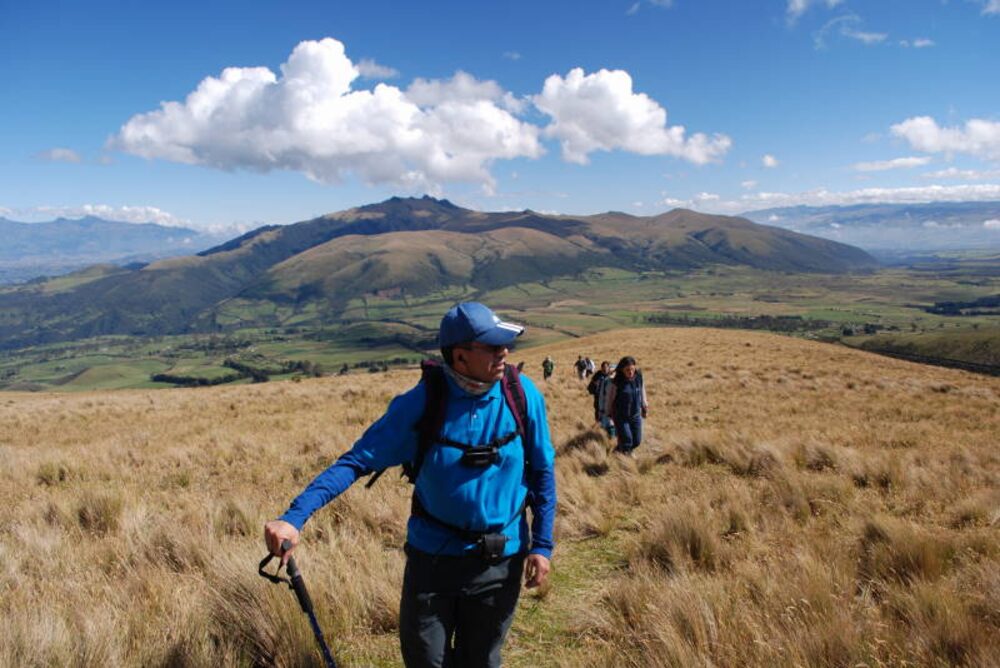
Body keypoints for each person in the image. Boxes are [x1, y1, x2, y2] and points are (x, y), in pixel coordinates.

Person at [264, 302, 557, 668]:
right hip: (433, 563)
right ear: (460, 356)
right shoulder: (421, 405)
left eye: (505, 345)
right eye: (493, 347)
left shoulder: (521, 394)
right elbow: (355, 462)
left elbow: (542, 472)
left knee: (481, 660)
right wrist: (294, 518)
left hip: (502, 561)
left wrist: (542, 545)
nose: (505, 353)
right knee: (426, 661)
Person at [607, 355, 648, 455]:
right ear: (622, 370)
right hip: (621, 416)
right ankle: (625, 457)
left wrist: (644, 405)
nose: (630, 372)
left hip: (636, 415)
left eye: (632, 369)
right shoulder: (617, 382)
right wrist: (609, 413)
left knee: (637, 441)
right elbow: (610, 398)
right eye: (627, 370)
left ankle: (619, 450)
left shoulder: (638, 377)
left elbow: (642, 390)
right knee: (627, 440)